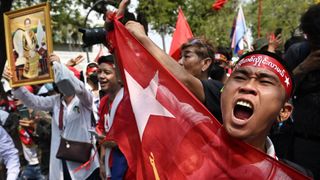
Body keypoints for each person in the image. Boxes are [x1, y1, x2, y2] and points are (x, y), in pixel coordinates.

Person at [13, 54, 100, 180]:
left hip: (84, 164)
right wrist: (17, 86)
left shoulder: (84, 100)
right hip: (61, 161)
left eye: (64, 79)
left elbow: (80, 88)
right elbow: (34, 101)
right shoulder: (55, 101)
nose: (61, 81)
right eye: (58, 79)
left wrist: (60, 66)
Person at [124, 21, 223, 123]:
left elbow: (186, 80)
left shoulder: (217, 90)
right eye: (180, 57)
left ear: (206, 63)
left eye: (187, 56)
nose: (179, 62)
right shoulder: (171, 94)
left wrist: (142, 38)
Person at [282, 4, 320, 179]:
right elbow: (278, 91)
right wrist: (303, 69)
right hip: (304, 143)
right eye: (312, 38)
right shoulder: (297, 53)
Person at [95, 55, 127, 180]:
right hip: (110, 163)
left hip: (127, 164)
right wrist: (102, 163)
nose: (101, 76)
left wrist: (115, 143)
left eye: (107, 72)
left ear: (119, 76)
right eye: (99, 72)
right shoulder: (103, 102)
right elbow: (103, 133)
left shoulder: (128, 101)